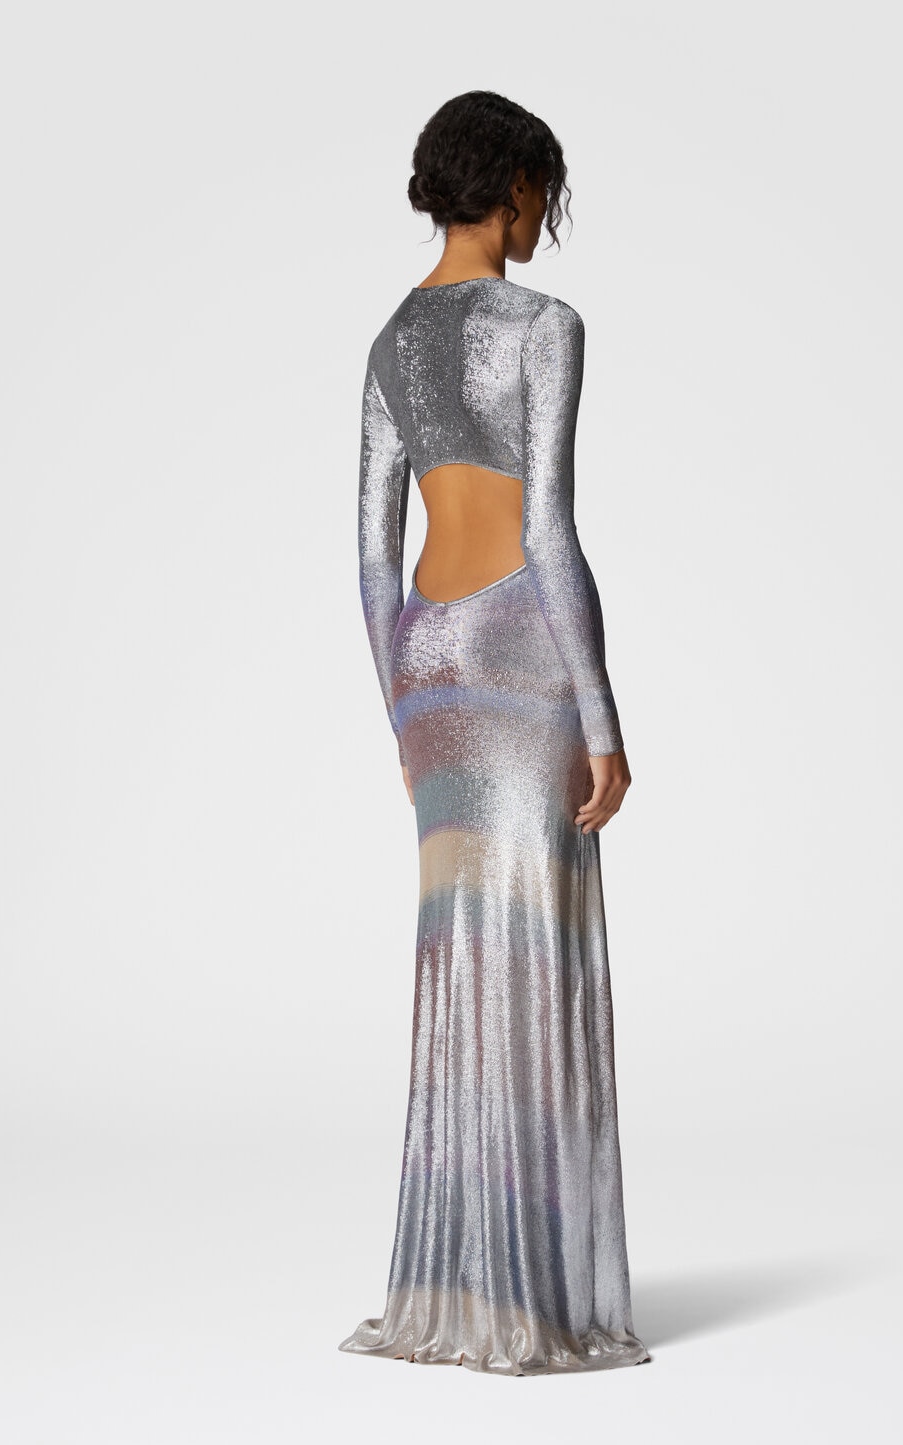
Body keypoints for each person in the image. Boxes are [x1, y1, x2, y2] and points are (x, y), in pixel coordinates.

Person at [339, 90, 649, 1376]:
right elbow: (547, 530)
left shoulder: (389, 342)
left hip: (426, 658)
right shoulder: (542, 326)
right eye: (541, 197)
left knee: (461, 952)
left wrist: (399, 698)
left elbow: (370, 551)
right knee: (535, 948)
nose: (541, 223)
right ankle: (528, 1301)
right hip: (520, 647)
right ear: (514, 185)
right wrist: (601, 713)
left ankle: (456, 1278)